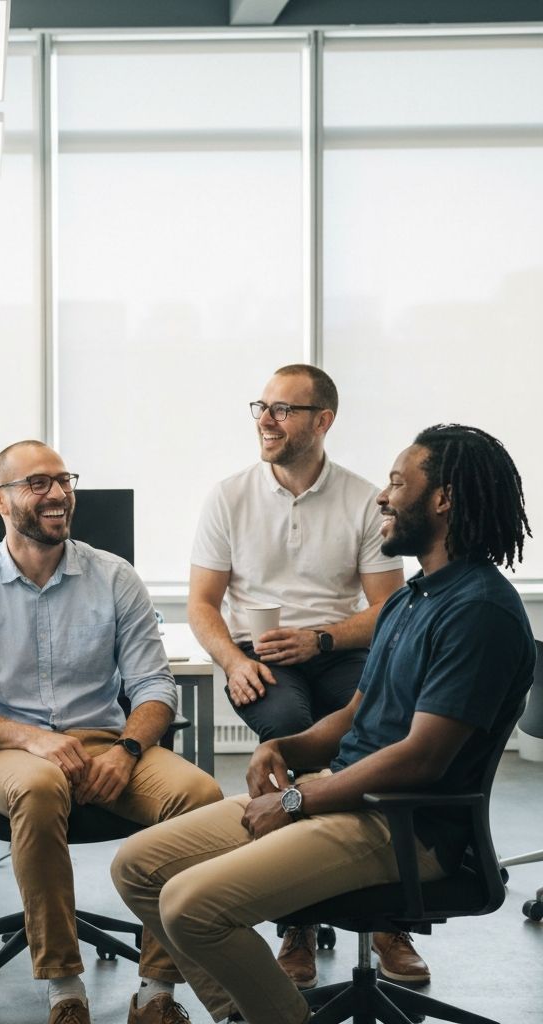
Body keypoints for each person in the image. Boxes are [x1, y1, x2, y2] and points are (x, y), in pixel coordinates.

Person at [113, 424, 535, 1024]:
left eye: (396, 482)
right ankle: (254, 1013)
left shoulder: (478, 612)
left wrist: (294, 801)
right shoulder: (415, 596)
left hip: (404, 824)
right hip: (349, 795)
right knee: (138, 867)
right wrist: (285, 744)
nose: (383, 497)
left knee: (189, 906)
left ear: (443, 499)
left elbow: (421, 759)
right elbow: (358, 713)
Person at [0, 441, 223, 1024]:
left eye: (65, 480)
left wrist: (129, 748)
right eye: (38, 483)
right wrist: (33, 740)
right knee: (39, 786)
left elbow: (154, 688)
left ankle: (156, 992)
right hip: (5, 747)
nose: (59, 494)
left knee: (201, 797)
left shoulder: (114, 577)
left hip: (105, 742)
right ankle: (65, 987)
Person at [187, 364, 415, 987]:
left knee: (376, 737)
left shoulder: (366, 499)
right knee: (287, 730)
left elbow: (385, 613)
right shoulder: (228, 496)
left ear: (323, 421)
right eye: (261, 406)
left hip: (337, 649)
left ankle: (389, 917)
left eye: (283, 409)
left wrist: (321, 637)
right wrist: (233, 661)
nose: (266, 418)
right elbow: (202, 605)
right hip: (257, 655)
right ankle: (297, 920)